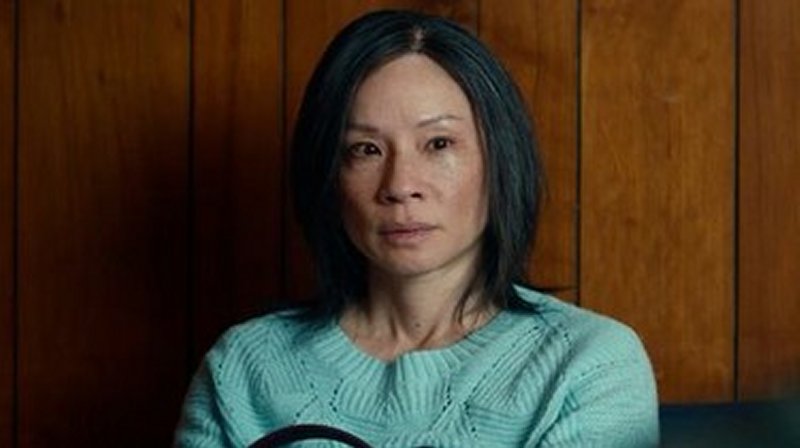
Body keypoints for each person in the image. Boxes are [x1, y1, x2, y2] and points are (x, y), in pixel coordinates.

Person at [174, 10, 659, 447]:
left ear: (500, 159)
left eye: (439, 143)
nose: (400, 185)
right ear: (327, 174)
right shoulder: (243, 366)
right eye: (365, 150)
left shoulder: (588, 365)